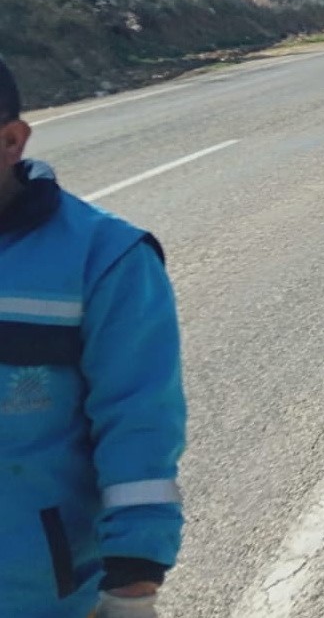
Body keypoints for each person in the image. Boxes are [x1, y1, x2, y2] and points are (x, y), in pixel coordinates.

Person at [0, 56, 187, 617]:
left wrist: (132, 585)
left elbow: (139, 424)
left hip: (37, 592)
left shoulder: (107, 260)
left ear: (11, 140)